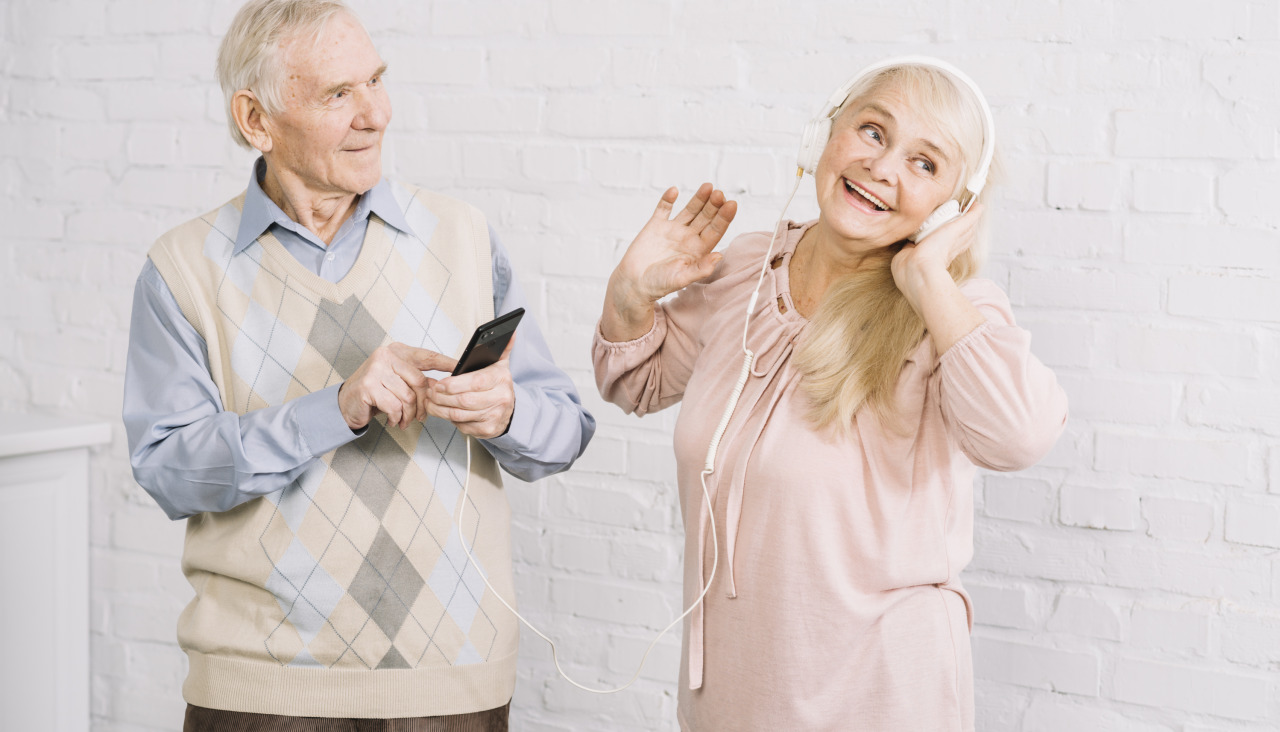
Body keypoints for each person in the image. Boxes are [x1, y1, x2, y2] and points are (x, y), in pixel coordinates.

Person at [121, 1, 594, 729]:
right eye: (338, 94)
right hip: (260, 694)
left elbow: (563, 434)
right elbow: (168, 471)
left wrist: (507, 414)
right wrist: (333, 410)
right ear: (256, 119)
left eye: (375, 80)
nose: (377, 114)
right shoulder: (182, 268)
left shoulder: (463, 237)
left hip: (450, 689)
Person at [593, 59, 1068, 731]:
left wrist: (927, 278)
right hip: (733, 699)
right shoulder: (744, 273)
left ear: (953, 209)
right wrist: (629, 294)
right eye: (873, 131)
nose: (882, 167)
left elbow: (1019, 437)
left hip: (882, 701)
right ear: (826, 132)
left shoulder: (953, 314)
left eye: (925, 164)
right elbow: (635, 384)